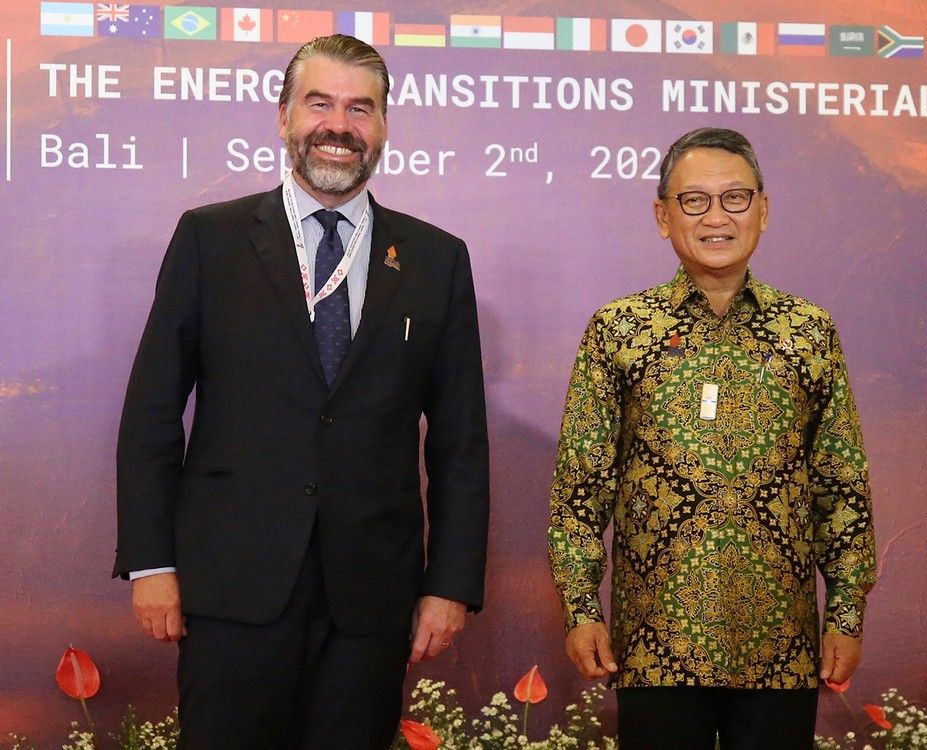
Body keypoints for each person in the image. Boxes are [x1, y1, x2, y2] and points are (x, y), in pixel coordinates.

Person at [114, 35, 489, 750]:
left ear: (383, 126)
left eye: (360, 108)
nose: (339, 126)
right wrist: (151, 562)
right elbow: (153, 413)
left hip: (370, 599)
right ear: (284, 115)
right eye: (320, 103)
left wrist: (450, 583)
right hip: (229, 586)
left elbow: (460, 441)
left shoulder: (436, 259)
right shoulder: (210, 239)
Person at [547, 127, 875, 749]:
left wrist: (846, 612)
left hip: (782, 650)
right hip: (655, 647)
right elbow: (580, 489)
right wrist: (582, 607)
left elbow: (843, 486)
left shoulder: (809, 332)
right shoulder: (620, 331)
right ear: (662, 216)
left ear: (764, 210)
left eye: (736, 198)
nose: (717, 217)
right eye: (694, 200)